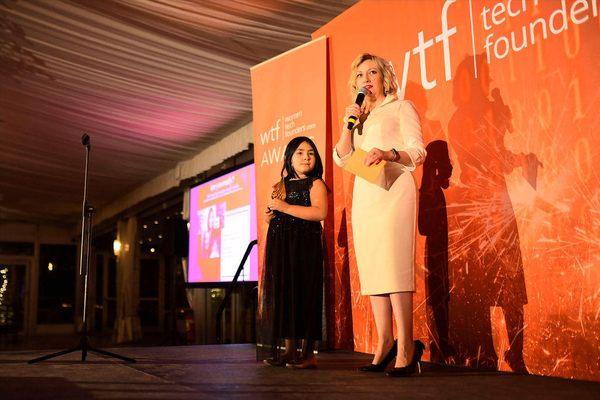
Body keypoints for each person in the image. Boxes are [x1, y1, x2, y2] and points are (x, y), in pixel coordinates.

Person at [333, 53, 427, 376]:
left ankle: (407, 348)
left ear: (384, 76)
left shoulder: (402, 107)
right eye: (360, 75)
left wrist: (389, 153)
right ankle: (384, 343)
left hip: (395, 188)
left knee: (395, 265)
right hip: (367, 194)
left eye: (372, 72)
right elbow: (342, 157)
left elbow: (418, 150)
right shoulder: (360, 118)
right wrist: (350, 122)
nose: (366, 79)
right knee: (374, 269)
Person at [258, 136, 328, 369]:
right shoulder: (280, 185)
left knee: (305, 295)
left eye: (310, 152)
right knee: (286, 296)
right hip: (282, 248)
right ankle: (288, 351)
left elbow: (319, 213)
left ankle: (307, 353)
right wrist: (269, 216)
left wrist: (286, 207)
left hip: (305, 248)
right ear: (289, 157)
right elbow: (272, 216)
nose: (306, 157)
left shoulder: (316, 184)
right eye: (299, 152)